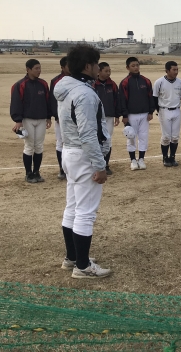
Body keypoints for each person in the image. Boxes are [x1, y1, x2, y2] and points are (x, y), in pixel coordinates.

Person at [54, 44, 111, 279]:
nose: (99, 68)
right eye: (96, 64)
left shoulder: (67, 88)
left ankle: (73, 257)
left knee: (73, 207)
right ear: (88, 66)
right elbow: (87, 134)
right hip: (83, 155)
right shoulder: (85, 94)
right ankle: (83, 266)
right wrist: (100, 165)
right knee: (85, 212)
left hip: (70, 152)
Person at [10, 59, 52, 183]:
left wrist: (48, 117)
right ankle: (28, 173)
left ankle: (36, 172)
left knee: (39, 146)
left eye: (40, 68)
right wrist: (18, 120)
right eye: (36, 68)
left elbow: (48, 101)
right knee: (29, 146)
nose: (39, 71)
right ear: (28, 70)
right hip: (27, 119)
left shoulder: (43, 84)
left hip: (41, 119)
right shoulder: (20, 85)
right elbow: (16, 103)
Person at [118, 57, 155, 171]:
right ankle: (133, 160)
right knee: (131, 137)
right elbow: (122, 99)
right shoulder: (125, 82)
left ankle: (141, 159)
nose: (136, 68)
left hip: (144, 114)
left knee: (143, 137)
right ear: (127, 67)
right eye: (133, 66)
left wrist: (151, 111)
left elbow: (150, 97)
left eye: (137, 65)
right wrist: (125, 115)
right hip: (131, 115)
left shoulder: (146, 81)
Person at [153, 61, 181, 167]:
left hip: (177, 110)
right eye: (173, 70)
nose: (176, 72)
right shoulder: (159, 82)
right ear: (167, 71)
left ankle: (172, 157)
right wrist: (159, 111)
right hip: (164, 110)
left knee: (175, 137)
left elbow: (180, 96)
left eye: (177, 69)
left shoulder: (180, 82)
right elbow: (155, 97)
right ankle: (165, 158)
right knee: (166, 137)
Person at [94, 62, 121, 175]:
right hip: (95, 117)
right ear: (99, 71)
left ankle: (106, 164)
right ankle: (96, 165)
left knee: (107, 140)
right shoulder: (93, 84)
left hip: (109, 116)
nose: (108, 73)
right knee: (96, 140)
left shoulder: (112, 84)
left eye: (109, 71)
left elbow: (117, 100)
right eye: (106, 71)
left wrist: (117, 115)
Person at [49, 57, 70, 180]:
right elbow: (53, 100)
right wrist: (56, 115)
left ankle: (71, 168)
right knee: (60, 142)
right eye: (68, 65)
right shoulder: (56, 81)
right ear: (62, 67)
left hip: (75, 116)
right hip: (61, 117)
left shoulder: (77, 78)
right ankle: (62, 169)